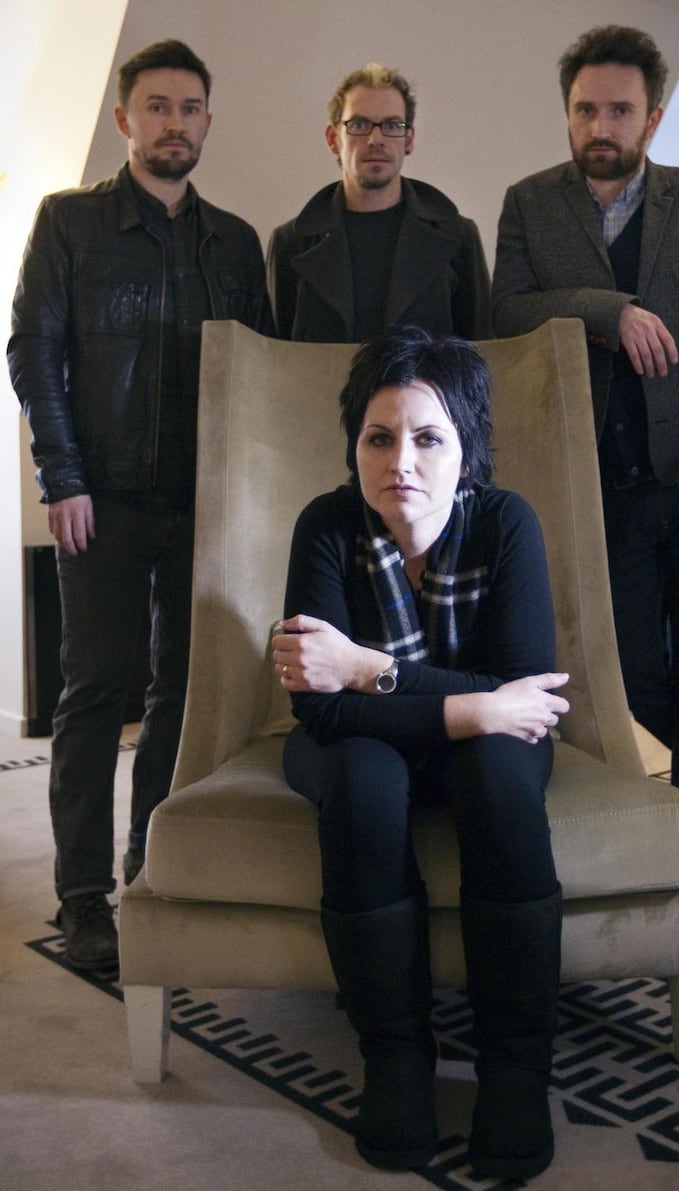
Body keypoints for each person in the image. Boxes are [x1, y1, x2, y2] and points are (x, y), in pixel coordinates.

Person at [492, 24, 679, 868]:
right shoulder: (529, 203)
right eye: (585, 109)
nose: (602, 127)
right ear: (567, 113)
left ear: (653, 118)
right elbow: (507, 312)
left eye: (620, 111)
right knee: (626, 681)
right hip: (602, 492)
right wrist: (609, 311)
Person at [271, 326, 569, 1178]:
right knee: (361, 776)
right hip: (361, 746)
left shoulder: (505, 522)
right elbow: (320, 709)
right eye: (379, 437)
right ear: (355, 446)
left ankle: (516, 1065)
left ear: (466, 449)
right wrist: (475, 702)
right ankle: (396, 1055)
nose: (400, 460)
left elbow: (528, 695)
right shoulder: (327, 525)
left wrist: (367, 668)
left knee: (499, 771)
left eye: (429, 437)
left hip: (482, 748)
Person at [7, 39, 271, 974]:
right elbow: (32, 351)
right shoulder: (70, 222)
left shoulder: (234, 241)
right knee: (93, 693)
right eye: (157, 106)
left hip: (204, 502)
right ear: (125, 119)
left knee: (183, 694)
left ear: (207, 121)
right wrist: (62, 477)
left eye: (190, 108)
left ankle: (149, 863)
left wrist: (247, 501)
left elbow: (258, 372)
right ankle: (82, 895)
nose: (174, 123)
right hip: (102, 498)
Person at [266, 63, 491, 342]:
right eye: (359, 125)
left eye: (392, 125)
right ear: (333, 139)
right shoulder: (291, 243)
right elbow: (275, 359)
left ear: (408, 140)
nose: (376, 139)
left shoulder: (457, 236)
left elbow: (482, 350)